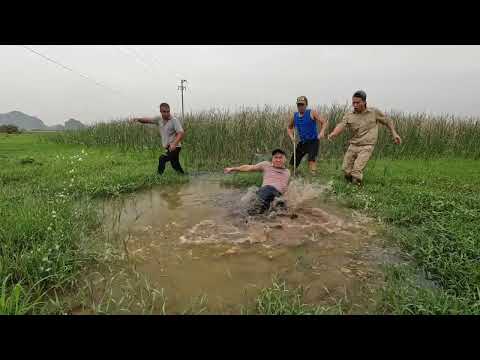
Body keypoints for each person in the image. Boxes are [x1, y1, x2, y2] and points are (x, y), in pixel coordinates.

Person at [327, 90, 402, 185]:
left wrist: (394, 133)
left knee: (356, 170)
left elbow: (388, 121)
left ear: (364, 102)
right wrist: (333, 133)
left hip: (367, 146)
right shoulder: (349, 115)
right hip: (354, 145)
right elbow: (341, 125)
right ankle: (350, 184)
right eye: (353, 102)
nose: (355, 105)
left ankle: (356, 185)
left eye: (357, 102)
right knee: (346, 169)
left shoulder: (374, 112)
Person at [224, 149, 290, 215]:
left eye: (280, 158)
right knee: (255, 201)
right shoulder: (266, 165)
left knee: (281, 207)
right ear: (272, 159)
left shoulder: (287, 172)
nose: (278, 160)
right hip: (266, 191)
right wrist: (232, 169)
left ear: (285, 159)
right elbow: (248, 167)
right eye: (276, 157)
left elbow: (286, 189)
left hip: (277, 196)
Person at [132, 103, 186, 175]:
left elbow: (181, 133)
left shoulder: (174, 120)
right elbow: (148, 120)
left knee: (162, 159)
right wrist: (138, 119)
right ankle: (184, 176)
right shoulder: (159, 119)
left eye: (168, 111)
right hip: (168, 147)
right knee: (175, 165)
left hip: (175, 147)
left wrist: (174, 144)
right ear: (160, 111)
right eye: (164, 112)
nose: (166, 113)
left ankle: (158, 177)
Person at [287, 96, 328, 175]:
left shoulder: (312, 113)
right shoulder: (295, 116)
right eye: (299, 105)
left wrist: (322, 132)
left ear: (306, 105)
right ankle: (291, 174)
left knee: (311, 159)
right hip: (303, 142)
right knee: (293, 161)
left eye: (302, 105)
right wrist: (292, 137)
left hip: (313, 140)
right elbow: (289, 128)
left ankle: (313, 175)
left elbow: (324, 122)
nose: (300, 107)